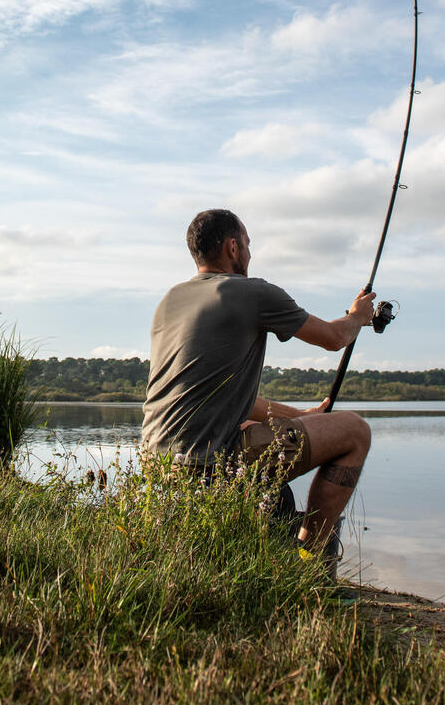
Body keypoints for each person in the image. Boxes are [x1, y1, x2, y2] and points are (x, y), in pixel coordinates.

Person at [142, 208, 374, 571]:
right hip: (210, 465)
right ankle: (309, 564)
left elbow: (229, 398)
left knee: (249, 429)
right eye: (248, 243)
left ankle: (269, 541)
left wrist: (303, 417)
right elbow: (335, 338)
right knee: (355, 432)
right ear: (232, 247)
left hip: (157, 464)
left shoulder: (170, 301)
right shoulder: (251, 292)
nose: (250, 252)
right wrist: (359, 315)